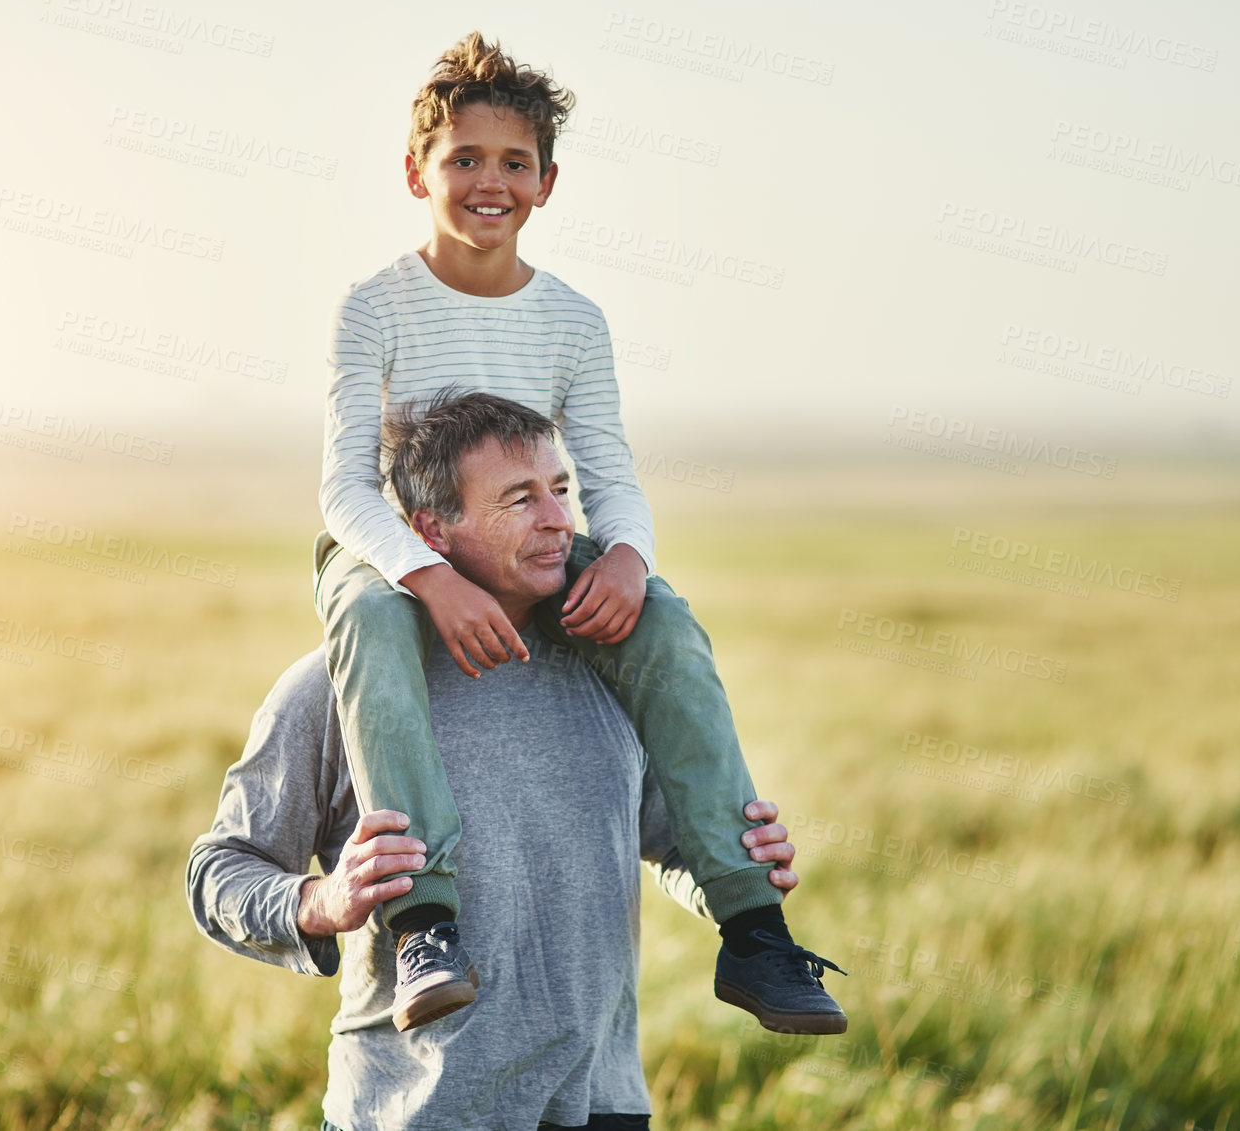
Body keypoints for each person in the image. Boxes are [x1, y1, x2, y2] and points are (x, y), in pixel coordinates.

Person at [316, 32, 844, 1034]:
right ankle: (425, 920)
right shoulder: (373, 306)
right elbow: (344, 488)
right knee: (373, 625)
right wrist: (428, 576)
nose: (489, 182)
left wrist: (632, 559)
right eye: (464, 158)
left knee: (669, 625)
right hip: (401, 546)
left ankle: (754, 927)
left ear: (547, 181)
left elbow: (607, 474)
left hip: (536, 544)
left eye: (514, 162)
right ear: (415, 172)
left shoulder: (572, 320)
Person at [190, 394, 844, 1130]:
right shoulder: (330, 686)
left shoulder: (617, 674)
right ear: (431, 530)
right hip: (416, 1113)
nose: (560, 519)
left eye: (561, 490)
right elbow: (218, 872)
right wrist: (323, 902)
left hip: (604, 1105)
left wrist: (731, 865)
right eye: (519, 499)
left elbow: (662, 845)